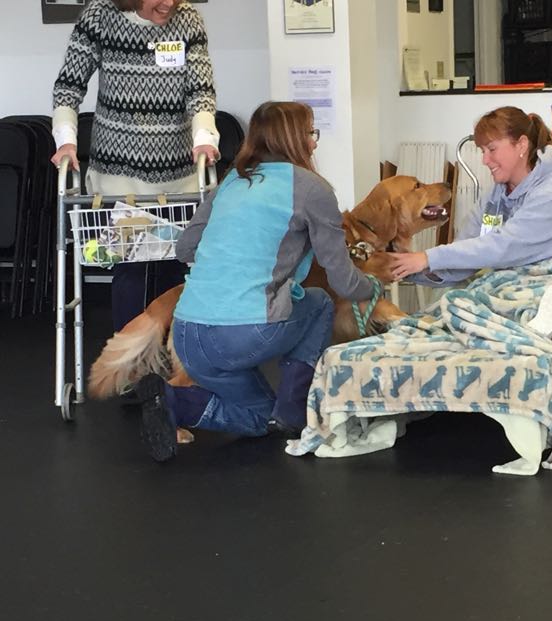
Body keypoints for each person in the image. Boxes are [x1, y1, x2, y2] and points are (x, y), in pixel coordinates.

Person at [133, 101, 387, 462]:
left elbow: (185, 247)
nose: (314, 143)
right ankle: (294, 405)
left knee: (257, 419)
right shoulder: (312, 189)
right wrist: (373, 287)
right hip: (241, 335)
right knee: (319, 303)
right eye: (311, 134)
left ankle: (175, 401)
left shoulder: (231, 182)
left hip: (188, 334)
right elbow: (343, 280)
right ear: (294, 139)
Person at [50, 0, 220, 333]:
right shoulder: (100, 16)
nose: (169, 3)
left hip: (178, 182)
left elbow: (201, 91)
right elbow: (68, 87)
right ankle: (130, 369)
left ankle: (171, 361)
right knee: (131, 271)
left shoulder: (187, 19)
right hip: (119, 181)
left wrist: (204, 138)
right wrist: (66, 141)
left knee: (176, 271)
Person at [389, 106, 552, 286]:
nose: (485, 160)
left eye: (492, 149)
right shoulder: (496, 195)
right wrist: (406, 269)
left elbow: (506, 246)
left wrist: (428, 257)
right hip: (527, 284)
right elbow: (468, 250)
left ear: (522, 145)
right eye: (482, 151)